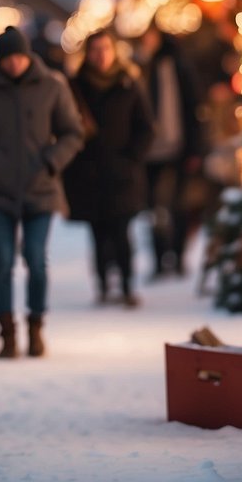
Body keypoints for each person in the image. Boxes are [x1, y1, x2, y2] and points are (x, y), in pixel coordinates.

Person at [0, 26, 84, 358]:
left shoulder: (53, 86)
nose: (13, 64)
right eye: (7, 58)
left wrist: (51, 161)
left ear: (28, 55)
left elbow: (73, 132)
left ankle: (36, 325)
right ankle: (7, 332)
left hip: (40, 186)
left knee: (37, 260)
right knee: (2, 261)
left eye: (18, 56)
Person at [63, 29, 155, 307]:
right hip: (88, 171)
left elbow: (146, 127)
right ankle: (103, 283)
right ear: (87, 54)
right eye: (95, 50)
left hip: (122, 172)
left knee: (122, 231)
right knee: (98, 232)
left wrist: (132, 157)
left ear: (114, 51)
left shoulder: (128, 83)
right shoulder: (75, 85)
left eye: (105, 49)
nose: (101, 55)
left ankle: (127, 285)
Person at [135, 21, 205, 278]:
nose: (147, 42)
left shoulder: (177, 66)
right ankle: (158, 259)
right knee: (153, 208)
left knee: (177, 205)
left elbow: (193, 108)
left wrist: (195, 148)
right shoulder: (138, 67)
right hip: (147, 150)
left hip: (177, 146)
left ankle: (176, 257)